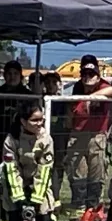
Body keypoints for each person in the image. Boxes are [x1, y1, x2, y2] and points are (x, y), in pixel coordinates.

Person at [0, 101, 68, 221]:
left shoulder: (46, 139)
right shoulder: (11, 139)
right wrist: (19, 197)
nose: (40, 124)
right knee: (15, 220)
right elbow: (11, 169)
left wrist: (37, 198)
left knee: (45, 220)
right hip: (16, 183)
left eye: (41, 120)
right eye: (35, 120)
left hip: (40, 183)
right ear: (23, 121)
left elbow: (45, 170)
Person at [64, 55, 112, 215]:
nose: (87, 78)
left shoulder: (103, 86)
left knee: (97, 173)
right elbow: (69, 114)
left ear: (98, 75)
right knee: (77, 173)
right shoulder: (77, 89)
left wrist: (90, 98)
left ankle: (93, 210)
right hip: (77, 135)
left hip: (97, 135)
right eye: (84, 74)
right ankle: (78, 210)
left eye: (91, 74)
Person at [0, 60, 33, 210]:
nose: (12, 77)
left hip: (20, 140)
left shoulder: (27, 95)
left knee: (20, 170)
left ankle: (20, 202)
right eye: (9, 74)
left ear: (21, 76)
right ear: (4, 76)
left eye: (15, 74)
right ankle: (3, 203)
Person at [42, 72, 69, 208]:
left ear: (59, 84)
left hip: (59, 140)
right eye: (48, 83)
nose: (51, 85)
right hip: (42, 140)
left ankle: (56, 197)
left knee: (57, 168)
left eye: (54, 82)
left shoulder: (64, 102)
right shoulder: (40, 100)